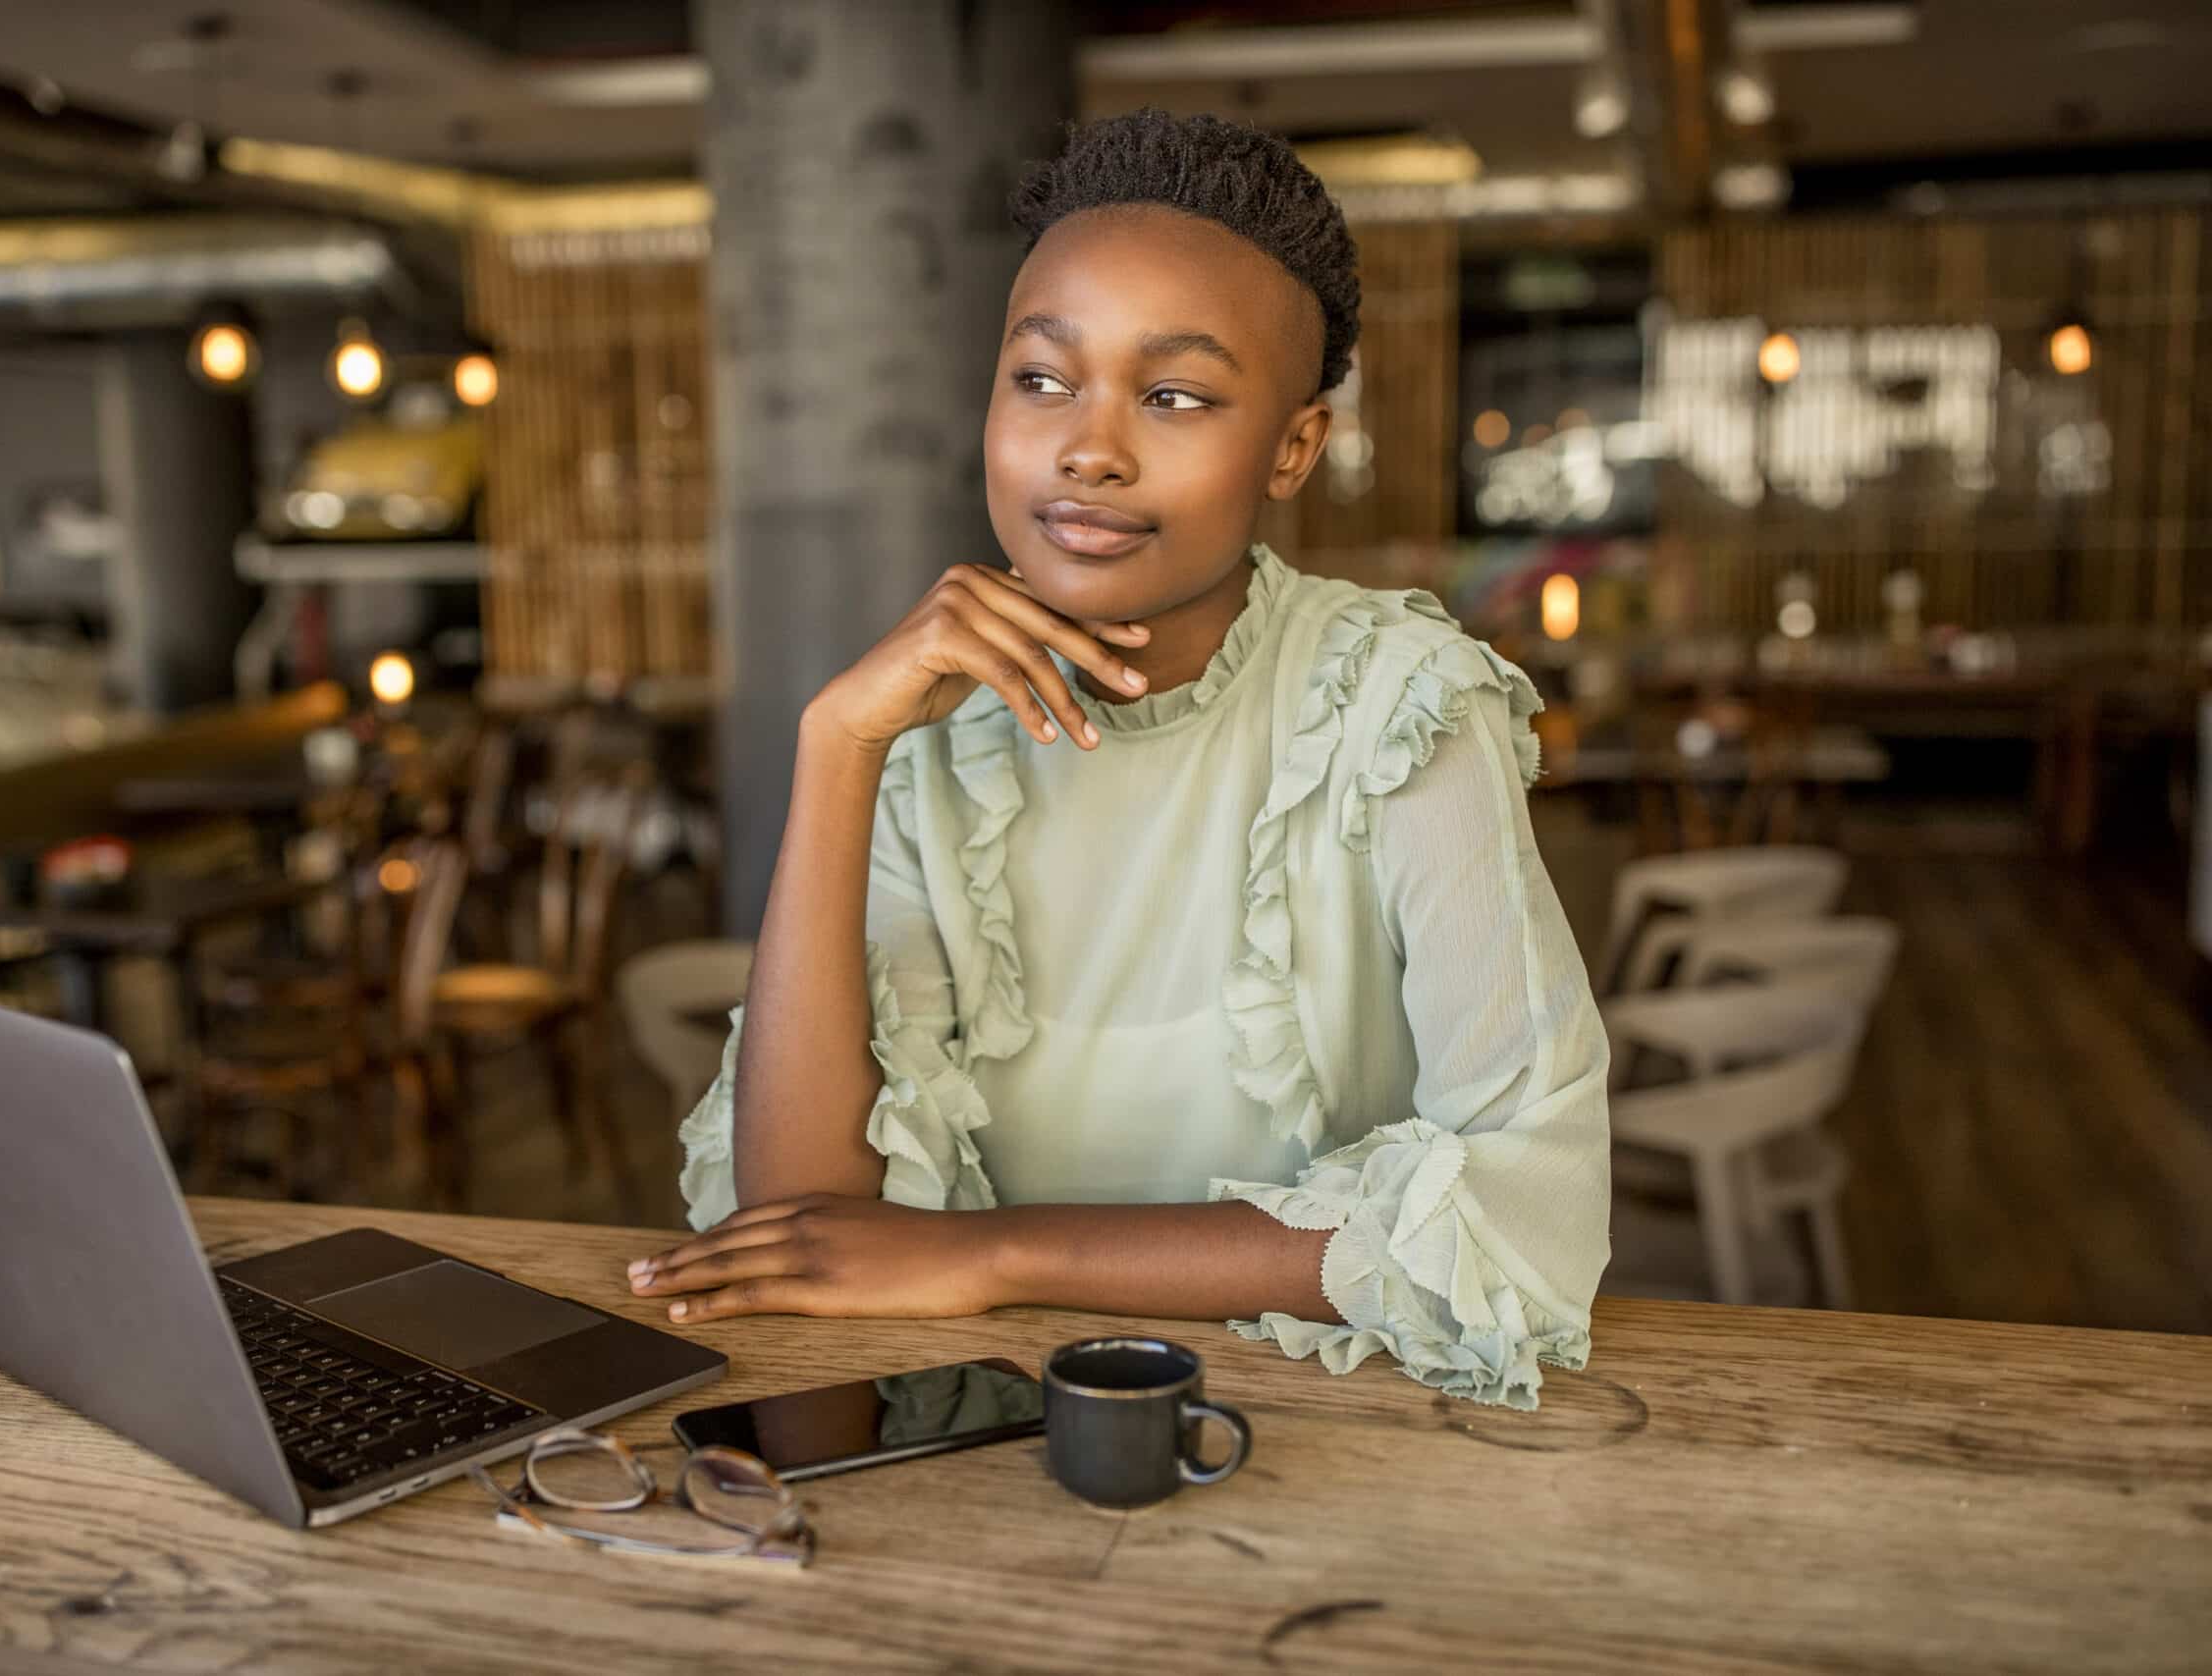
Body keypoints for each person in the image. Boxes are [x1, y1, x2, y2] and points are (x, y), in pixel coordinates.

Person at [632, 110, 1610, 1409]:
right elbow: (807, 1220)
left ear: (1293, 448)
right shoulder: (929, 727)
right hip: (988, 1425)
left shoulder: (1399, 705)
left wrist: (993, 1253)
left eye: (1175, 396)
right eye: (1041, 379)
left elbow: (1531, 1221)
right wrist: (834, 747)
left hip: (1335, 1424)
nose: (1089, 447)